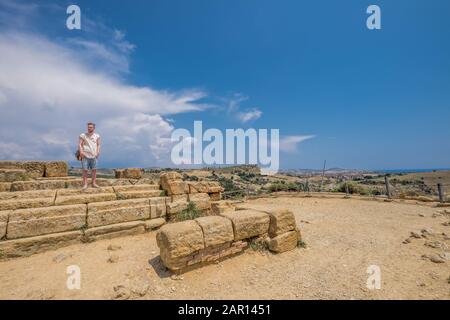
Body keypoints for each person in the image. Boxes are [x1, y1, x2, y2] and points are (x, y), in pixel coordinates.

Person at [79, 122, 101, 189]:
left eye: (91, 127)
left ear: (94, 128)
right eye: (88, 127)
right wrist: (81, 152)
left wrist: (98, 152)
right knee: (85, 170)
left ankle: (94, 183)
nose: (89, 128)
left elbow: (98, 144)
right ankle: (85, 184)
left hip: (94, 155)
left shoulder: (97, 136)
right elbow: (80, 144)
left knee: (94, 170)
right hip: (85, 155)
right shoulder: (83, 135)